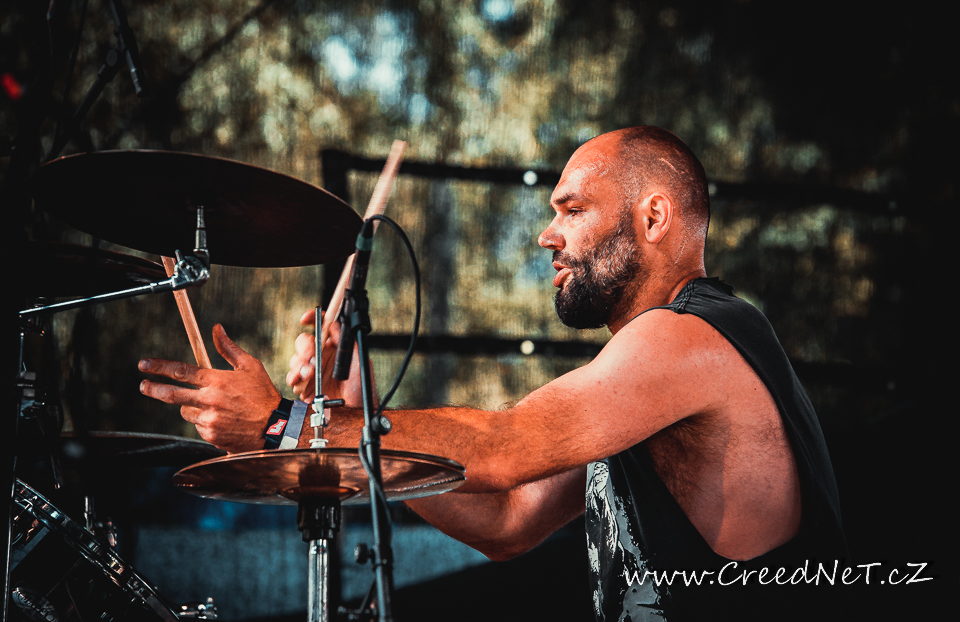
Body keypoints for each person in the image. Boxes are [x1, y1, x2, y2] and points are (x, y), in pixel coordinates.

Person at [139, 126, 848, 620]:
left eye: (572, 209)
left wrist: (286, 424)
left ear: (653, 216)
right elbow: (506, 522)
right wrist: (352, 398)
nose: (547, 234)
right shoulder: (649, 385)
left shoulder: (692, 337)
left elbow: (502, 447)